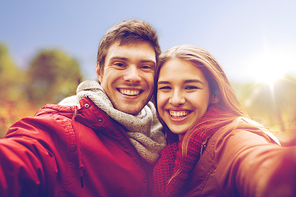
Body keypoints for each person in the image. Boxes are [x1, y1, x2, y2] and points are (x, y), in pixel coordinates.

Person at [0, 20, 166, 197]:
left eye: (145, 67)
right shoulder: (66, 129)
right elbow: (19, 159)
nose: (133, 77)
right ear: (99, 72)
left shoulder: (167, 131)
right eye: (119, 64)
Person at [152, 44, 296, 197]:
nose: (176, 100)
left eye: (190, 87)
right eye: (165, 87)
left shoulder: (232, 138)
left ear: (215, 94)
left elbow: (259, 163)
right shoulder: (166, 149)